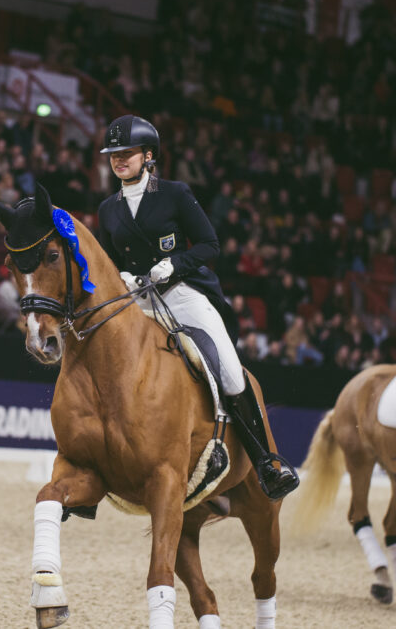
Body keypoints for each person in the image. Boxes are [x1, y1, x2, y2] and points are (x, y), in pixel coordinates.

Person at [94, 114, 298, 500]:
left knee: (231, 374)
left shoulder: (174, 193)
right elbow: (107, 261)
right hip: (137, 302)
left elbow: (209, 244)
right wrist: (122, 276)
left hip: (180, 293)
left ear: (148, 155)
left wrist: (174, 265)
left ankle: (266, 463)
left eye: (127, 152)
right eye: (113, 154)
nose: (118, 159)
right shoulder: (108, 209)